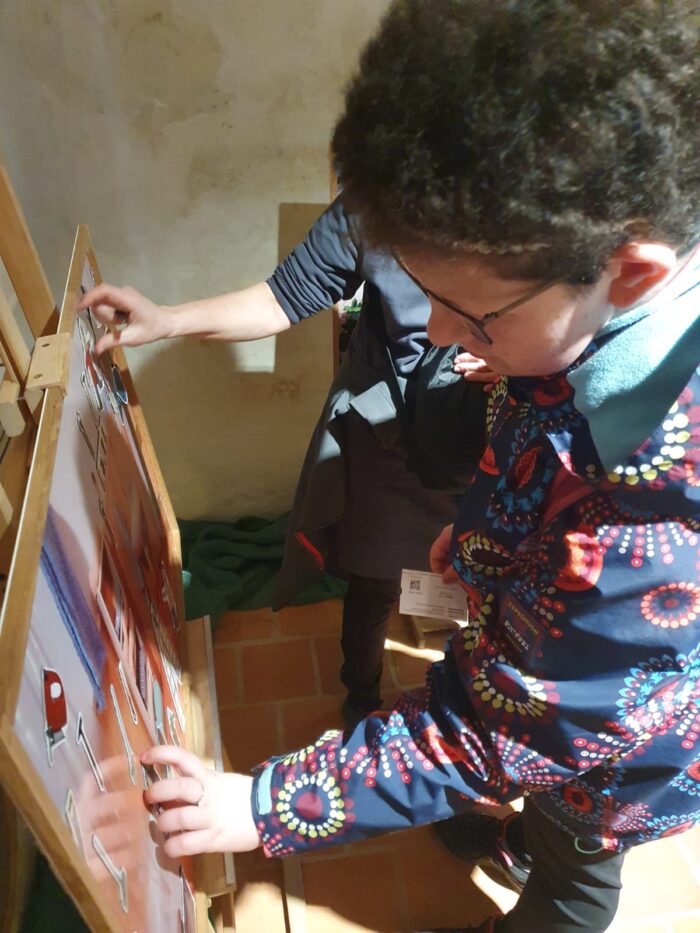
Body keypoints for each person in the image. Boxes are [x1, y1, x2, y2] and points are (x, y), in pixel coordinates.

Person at [137, 1, 699, 930]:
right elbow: (538, 435)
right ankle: (529, 837)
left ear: (630, 273)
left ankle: (545, 878)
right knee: (545, 812)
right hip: (554, 688)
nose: (438, 334)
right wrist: (485, 539)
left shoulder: (647, 521)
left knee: (575, 868)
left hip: (617, 765)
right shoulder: (583, 318)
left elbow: (501, 731)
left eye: (471, 316)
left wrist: (265, 805)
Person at [81, 190, 494, 733]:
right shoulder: (377, 197)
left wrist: (517, 355)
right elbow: (285, 295)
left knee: (492, 580)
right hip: (390, 439)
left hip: (498, 437)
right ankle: (361, 697)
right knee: (374, 579)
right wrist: (168, 319)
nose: (438, 326)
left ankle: (474, 702)